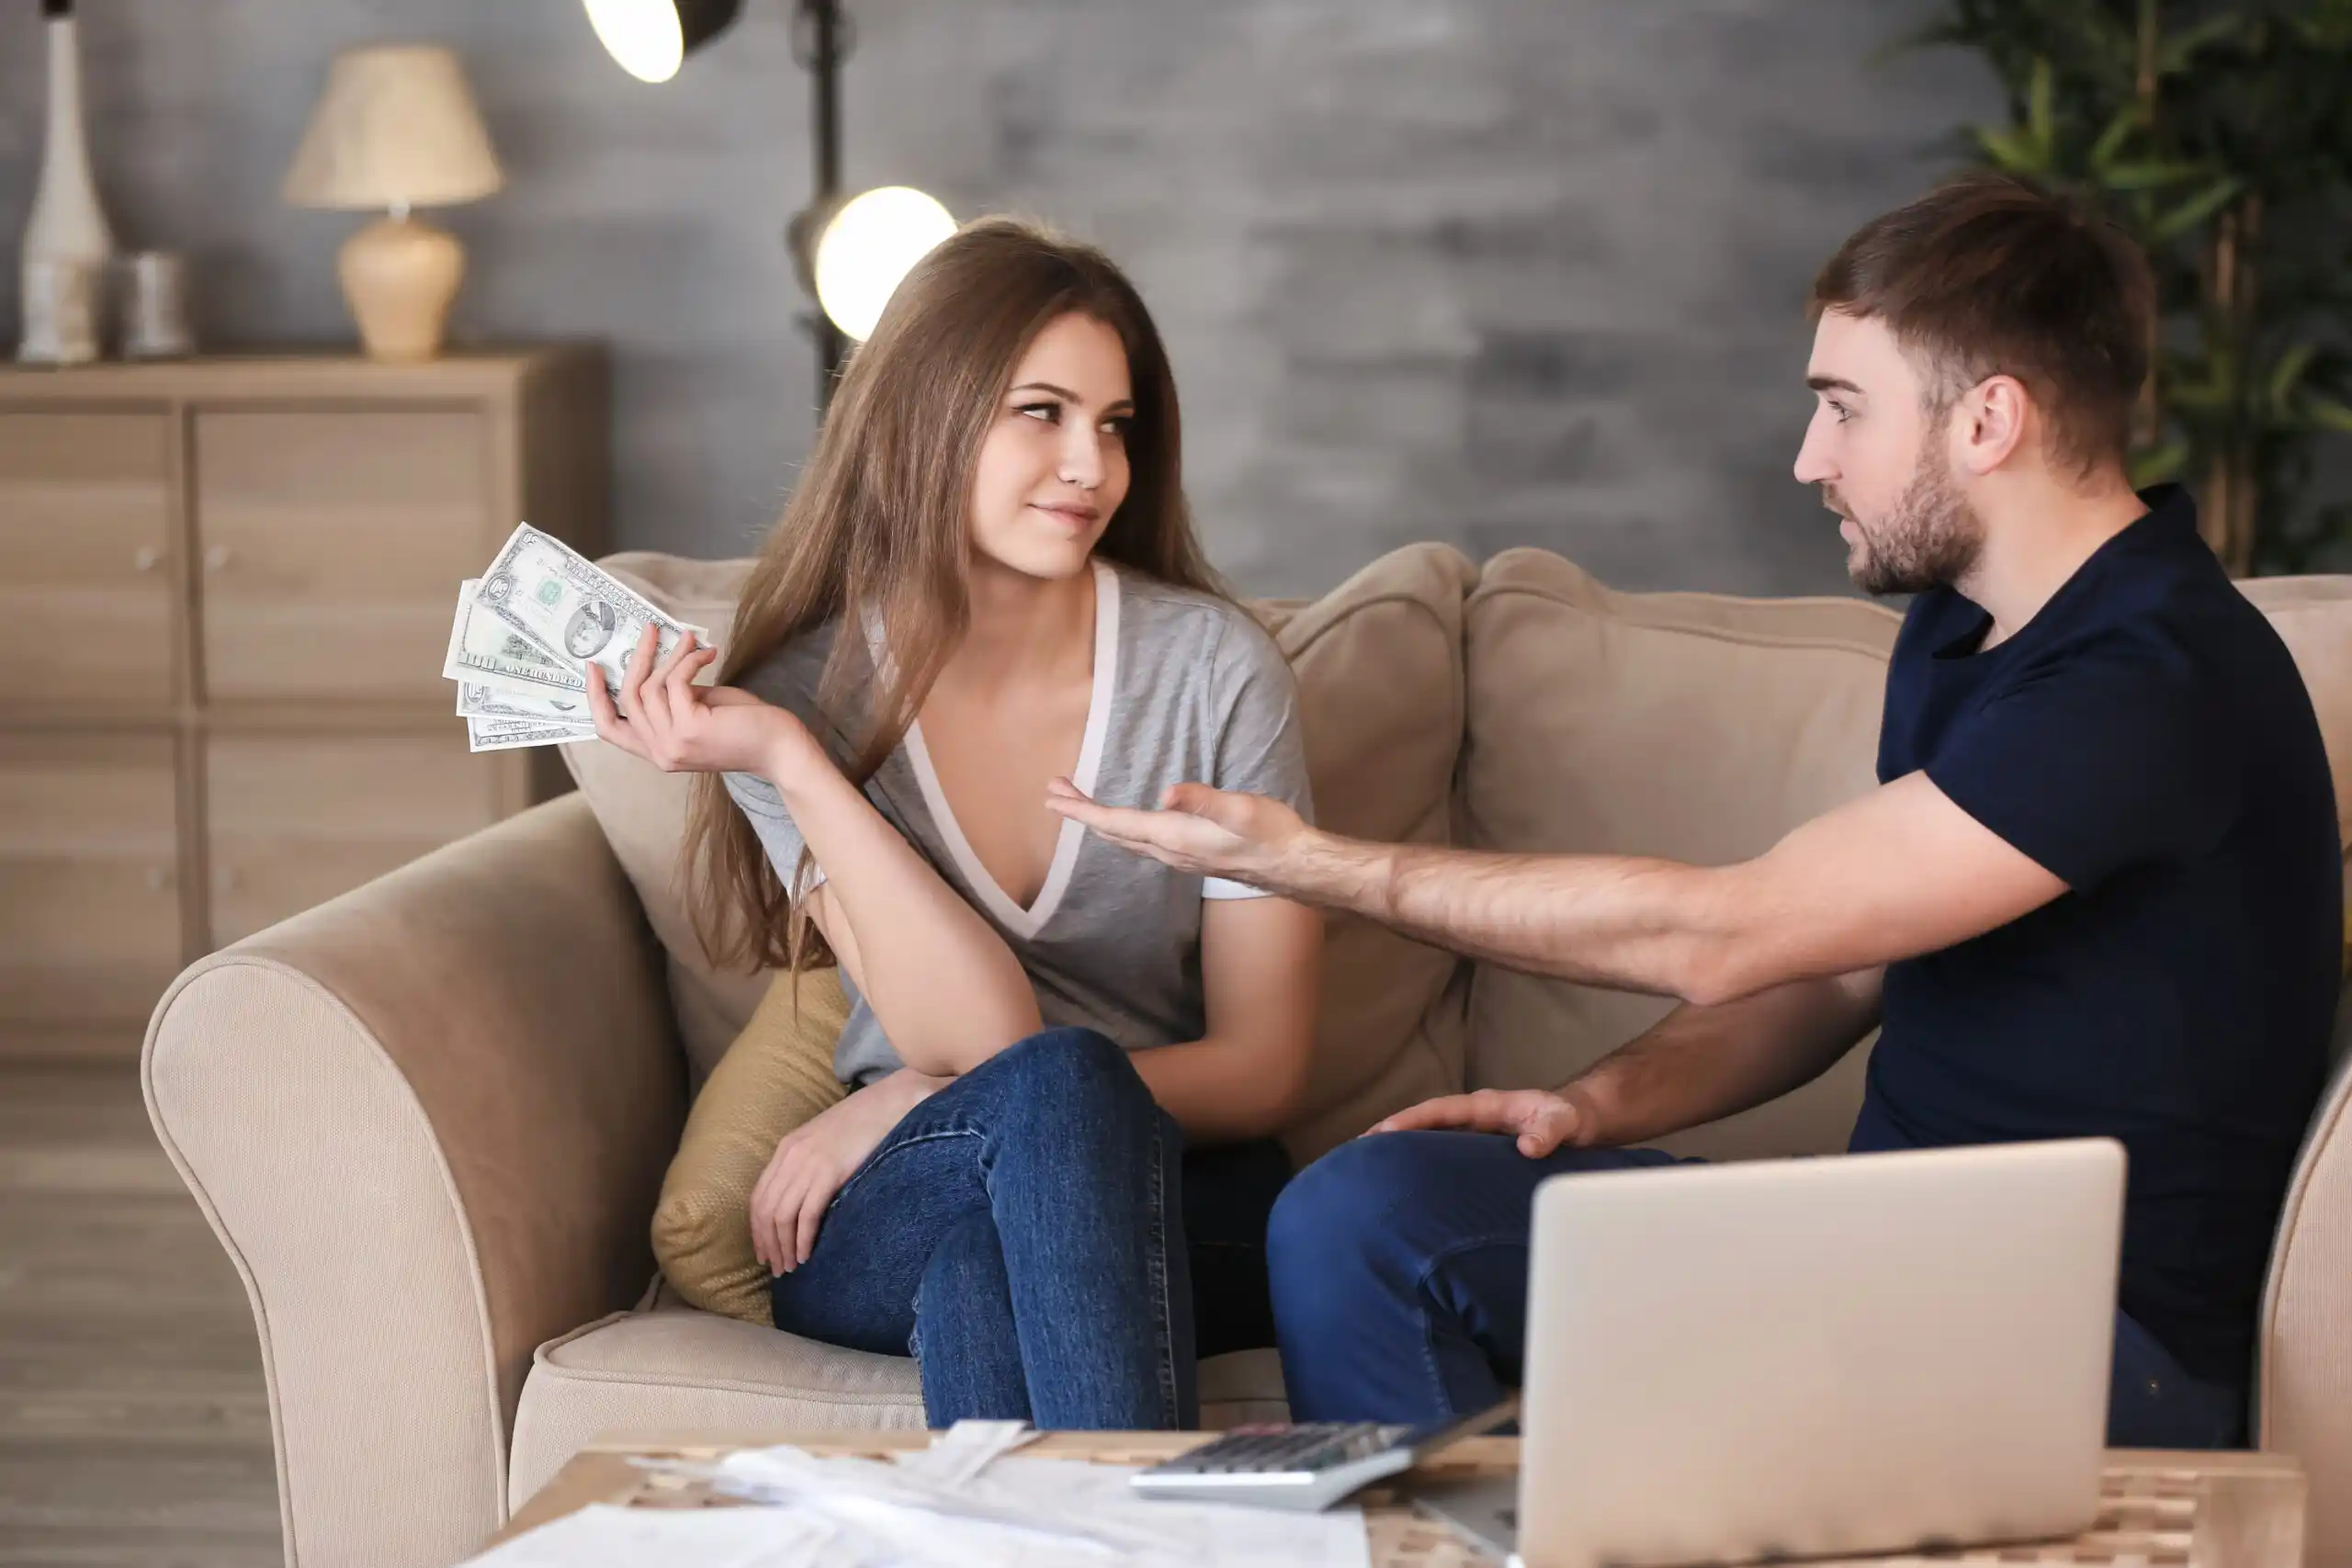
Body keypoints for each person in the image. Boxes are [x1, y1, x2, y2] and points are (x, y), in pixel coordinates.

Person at [1048, 172, 2342, 1449]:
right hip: (1891, 1262)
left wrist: (1314, 864)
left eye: (1843, 407)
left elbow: (1728, 933)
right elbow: (1834, 972)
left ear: (1988, 419)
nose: (1807, 458)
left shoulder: (2150, 679)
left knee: (1372, 1226)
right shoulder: (1971, 630)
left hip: (2083, 1341)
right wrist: (1595, 1103)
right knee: (1363, 1213)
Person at [582, 219, 1323, 1430]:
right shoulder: (798, 699)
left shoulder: (1216, 673)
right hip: (903, 1196)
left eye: (1116, 424)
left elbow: (1264, 1065)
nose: (1091, 463)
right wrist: (788, 759)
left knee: (1017, 1209)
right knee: (1048, 1093)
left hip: (1184, 1183)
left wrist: (905, 1097)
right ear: (928, 413)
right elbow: (983, 1030)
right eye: (1043, 412)